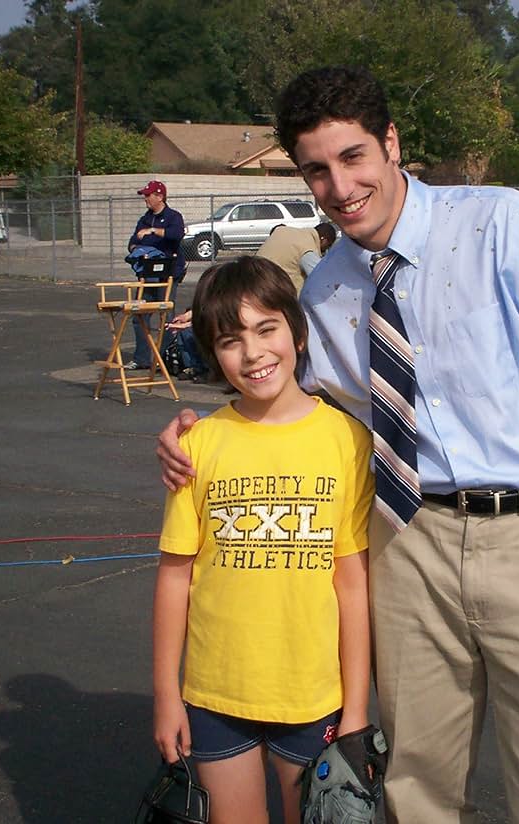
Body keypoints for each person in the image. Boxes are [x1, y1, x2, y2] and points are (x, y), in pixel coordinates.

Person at [157, 65, 519, 824]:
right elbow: (289, 398)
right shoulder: (324, 295)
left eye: (353, 156)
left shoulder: (502, 225)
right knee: (415, 783)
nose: (339, 185)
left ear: (392, 144)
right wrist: (200, 426)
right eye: (315, 169)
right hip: (405, 545)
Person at [152, 254, 374, 824]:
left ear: (297, 333)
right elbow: (176, 577)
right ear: (213, 353)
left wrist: (355, 712)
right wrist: (166, 694)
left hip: (312, 695)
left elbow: (352, 584)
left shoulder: (345, 440)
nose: (252, 354)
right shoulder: (197, 445)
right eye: (230, 340)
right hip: (215, 694)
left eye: (266, 329)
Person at [125, 180, 186, 370]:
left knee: (166, 317)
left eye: (148, 195)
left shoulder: (173, 217)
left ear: (159, 196)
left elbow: (176, 235)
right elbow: (133, 241)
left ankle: (163, 359)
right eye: (144, 195)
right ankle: (141, 358)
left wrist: (154, 232)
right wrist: (140, 249)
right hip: (147, 275)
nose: (145, 199)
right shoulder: (144, 218)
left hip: (168, 274)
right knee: (139, 316)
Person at [255, 222, 337, 293]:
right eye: (328, 245)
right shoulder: (307, 248)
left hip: (254, 280)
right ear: (324, 240)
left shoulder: (285, 231)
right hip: (276, 292)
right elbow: (321, 278)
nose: (326, 250)